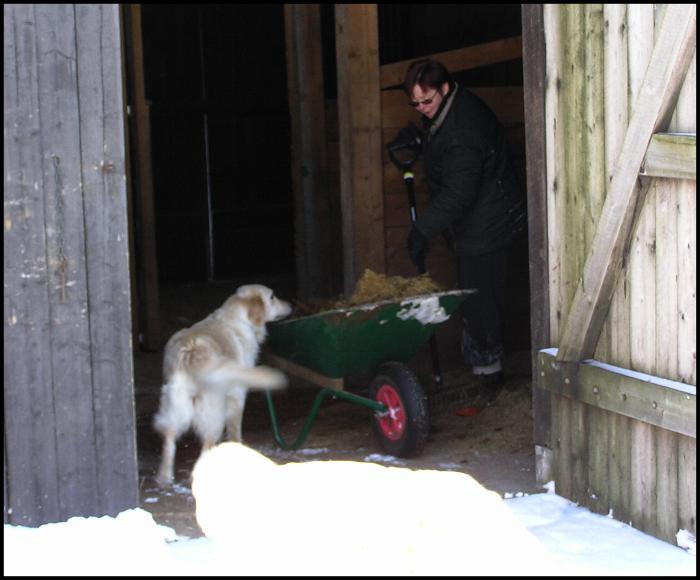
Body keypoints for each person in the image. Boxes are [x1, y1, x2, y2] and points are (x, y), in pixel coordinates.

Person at [393, 58, 526, 402]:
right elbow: (444, 143)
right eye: (416, 103)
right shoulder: (450, 111)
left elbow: (459, 191)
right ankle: (486, 373)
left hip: (489, 222)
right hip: (481, 219)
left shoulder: (464, 129)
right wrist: (423, 140)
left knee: (482, 299)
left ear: (445, 88)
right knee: (477, 295)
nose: (423, 109)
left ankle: (491, 383)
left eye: (428, 101)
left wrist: (423, 230)